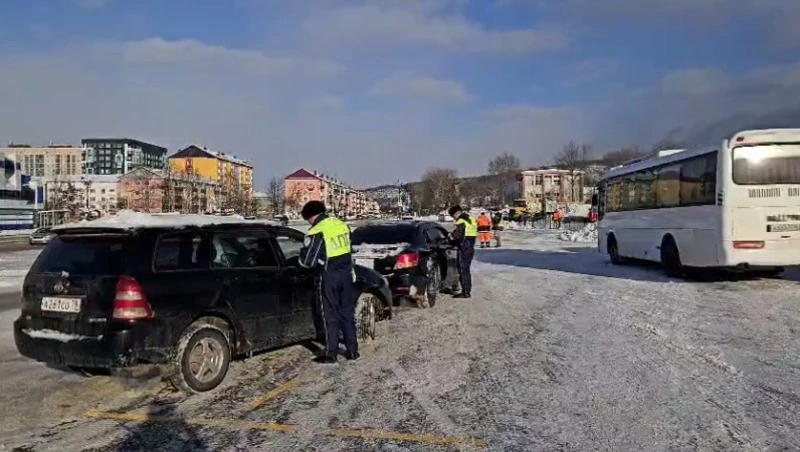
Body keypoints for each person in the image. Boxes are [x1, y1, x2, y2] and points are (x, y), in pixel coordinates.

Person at [298, 200, 358, 364]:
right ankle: (353, 350)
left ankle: (331, 352)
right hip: (346, 273)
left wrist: (300, 258)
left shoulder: (317, 230)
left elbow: (308, 261)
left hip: (329, 275)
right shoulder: (341, 224)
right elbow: (350, 248)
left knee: (329, 314)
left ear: (310, 217)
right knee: (347, 312)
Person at [447, 205, 477, 298]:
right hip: (470, 247)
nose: (454, 218)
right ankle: (467, 290)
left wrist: (449, 237)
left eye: (453, 216)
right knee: (466, 270)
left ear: (456, 213)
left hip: (464, 248)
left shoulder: (461, 221)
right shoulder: (471, 219)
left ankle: (465, 292)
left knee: (463, 270)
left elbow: (456, 235)